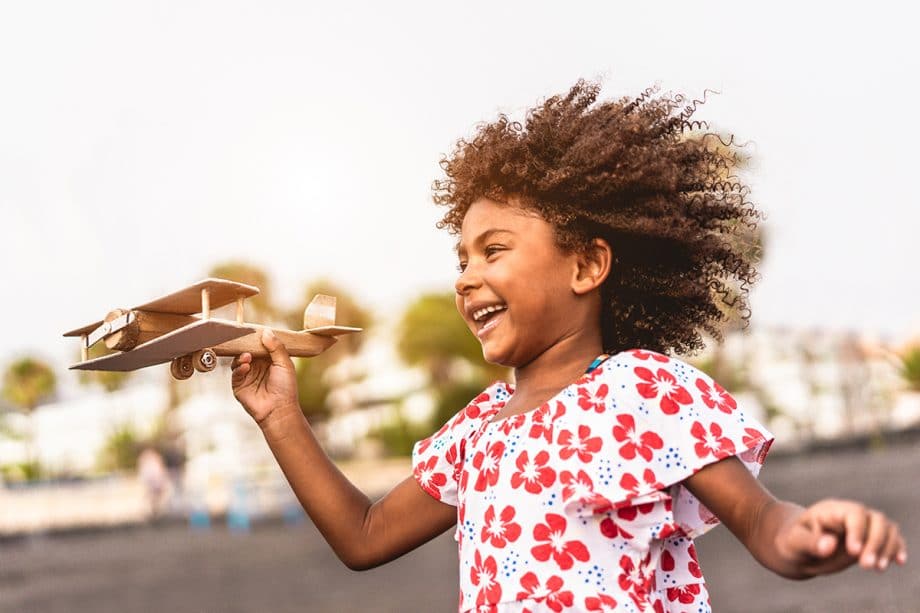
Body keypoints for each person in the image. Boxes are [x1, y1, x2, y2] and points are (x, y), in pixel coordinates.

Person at [230, 81, 907, 612]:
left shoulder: (641, 391)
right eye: (461, 257)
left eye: (495, 250)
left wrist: (811, 532)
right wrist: (280, 415)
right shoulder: (478, 430)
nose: (467, 276)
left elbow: (762, 521)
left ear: (587, 266)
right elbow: (365, 535)